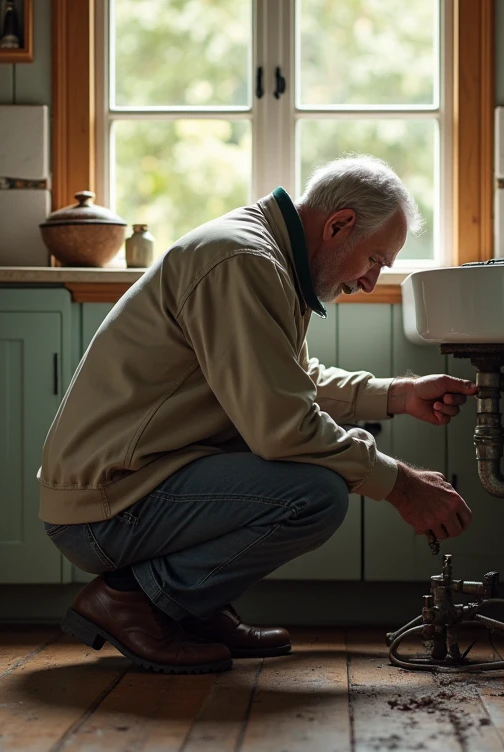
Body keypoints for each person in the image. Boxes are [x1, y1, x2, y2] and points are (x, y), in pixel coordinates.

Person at [38, 155, 475, 674]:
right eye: (375, 259)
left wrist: (398, 394)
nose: (369, 281)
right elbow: (284, 428)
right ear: (339, 226)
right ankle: (131, 601)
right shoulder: (244, 261)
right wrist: (401, 485)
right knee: (315, 493)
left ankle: (189, 609)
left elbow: (289, 380)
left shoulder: (268, 255)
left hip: (132, 484)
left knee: (304, 473)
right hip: (106, 507)